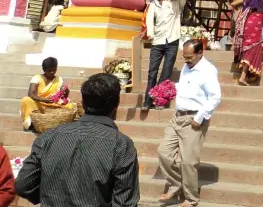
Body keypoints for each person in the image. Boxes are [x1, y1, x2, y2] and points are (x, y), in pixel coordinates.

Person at [15, 73, 139, 207]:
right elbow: (125, 202)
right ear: (117, 104)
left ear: (83, 103)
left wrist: (50, 195)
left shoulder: (48, 137)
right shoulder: (121, 145)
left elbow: (23, 185)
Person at [157, 40, 222, 207]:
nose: (186, 61)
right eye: (184, 57)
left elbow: (215, 97)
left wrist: (199, 118)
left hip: (194, 119)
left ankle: (191, 198)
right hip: (177, 117)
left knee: (188, 161)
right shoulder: (187, 66)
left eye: (189, 57)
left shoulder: (208, 71)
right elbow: (187, 87)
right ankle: (175, 184)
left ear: (200, 53)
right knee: (164, 152)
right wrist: (170, 89)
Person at [142, 0, 187, 111]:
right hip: (157, 41)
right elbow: (150, 21)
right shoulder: (153, 4)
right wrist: (149, 34)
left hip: (172, 40)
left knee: (166, 71)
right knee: (152, 72)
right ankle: (147, 101)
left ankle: (160, 100)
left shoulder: (175, 0)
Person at [20, 57, 76, 131]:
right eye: (49, 70)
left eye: (54, 70)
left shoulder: (59, 79)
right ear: (44, 69)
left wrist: (66, 91)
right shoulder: (37, 78)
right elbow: (31, 93)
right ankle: (31, 124)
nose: (52, 72)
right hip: (39, 102)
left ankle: (57, 124)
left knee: (70, 106)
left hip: (52, 104)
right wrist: (43, 100)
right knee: (26, 100)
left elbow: (62, 96)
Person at [233, 0, 263, 86]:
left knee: (247, 47)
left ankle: (246, 73)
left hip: (247, 22)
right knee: (252, 49)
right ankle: (243, 77)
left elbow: (236, 6)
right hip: (256, 24)